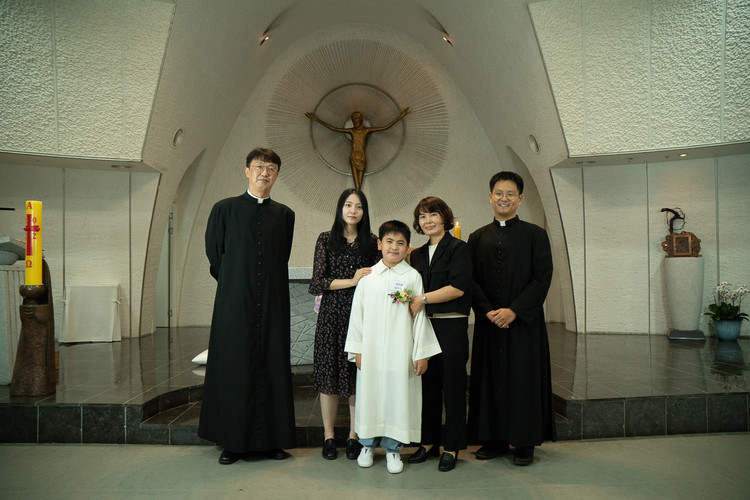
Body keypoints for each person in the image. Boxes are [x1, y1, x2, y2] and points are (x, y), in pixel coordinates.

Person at [199, 147, 296, 465]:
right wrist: (236, 283)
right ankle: (233, 442)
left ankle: (272, 441)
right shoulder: (224, 209)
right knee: (234, 366)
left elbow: (281, 256)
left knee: (272, 366)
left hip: (272, 303)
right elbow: (215, 255)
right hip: (235, 301)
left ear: (277, 175)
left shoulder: (285, 215)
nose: (264, 173)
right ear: (247, 171)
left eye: (271, 168)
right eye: (259, 167)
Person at [467, 171, 556, 466]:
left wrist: (514, 310)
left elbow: (542, 277)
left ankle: (524, 441)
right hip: (490, 322)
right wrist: (488, 311)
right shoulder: (477, 237)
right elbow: (471, 279)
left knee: (523, 379)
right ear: (490, 197)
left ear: (520, 199)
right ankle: (493, 438)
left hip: (523, 324)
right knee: (489, 378)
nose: (503, 198)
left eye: (510, 194)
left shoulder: (535, 235)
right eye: (498, 193)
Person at [344, 220, 442, 474]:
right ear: (379, 244)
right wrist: (357, 350)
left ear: (408, 247)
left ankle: (393, 449)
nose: (394, 247)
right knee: (370, 397)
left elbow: (419, 317)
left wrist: (421, 353)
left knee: (398, 399)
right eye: (389, 241)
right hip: (371, 351)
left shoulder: (412, 277)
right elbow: (357, 316)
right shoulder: (368, 278)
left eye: (400, 243)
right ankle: (367, 446)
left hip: (401, 351)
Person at [309, 188, 379, 460]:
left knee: (355, 376)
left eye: (359, 206)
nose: (353, 210)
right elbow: (318, 282)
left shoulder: (372, 241)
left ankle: (354, 435)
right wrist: (352, 280)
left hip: (361, 315)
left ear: (364, 212)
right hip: (331, 316)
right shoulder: (326, 239)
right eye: (348, 205)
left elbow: (379, 277)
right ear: (340, 208)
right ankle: (328, 436)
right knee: (329, 375)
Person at [406, 197, 472, 472]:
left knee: (453, 388)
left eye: (433, 214)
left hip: (450, 326)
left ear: (444, 216)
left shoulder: (459, 249)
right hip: (424, 326)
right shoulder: (417, 254)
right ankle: (428, 442)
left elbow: (457, 287)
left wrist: (422, 298)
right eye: (422, 216)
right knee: (427, 388)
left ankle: (452, 447)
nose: (428, 220)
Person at [305, 108, 409, 190]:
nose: (355, 121)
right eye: (354, 120)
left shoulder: (366, 131)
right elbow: (334, 128)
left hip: (362, 159)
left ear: (361, 120)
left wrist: (400, 116)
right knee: (357, 187)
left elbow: (386, 127)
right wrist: (316, 119)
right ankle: (358, 203)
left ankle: (359, 203)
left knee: (358, 188)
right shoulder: (351, 131)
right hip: (353, 158)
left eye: (357, 119)